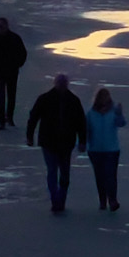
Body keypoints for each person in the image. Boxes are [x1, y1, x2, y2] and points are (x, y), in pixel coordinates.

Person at [24, 74, 88, 213]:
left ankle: (59, 200)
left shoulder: (72, 100)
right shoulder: (46, 99)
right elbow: (33, 117)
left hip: (63, 143)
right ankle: (56, 200)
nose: (62, 86)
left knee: (62, 173)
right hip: (50, 143)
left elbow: (81, 123)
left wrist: (82, 140)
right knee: (54, 171)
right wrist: (29, 136)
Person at [84, 87, 127, 211]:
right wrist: (82, 143)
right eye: (103, 96)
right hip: (95, 149)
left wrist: (119, 114)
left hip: (111, 149)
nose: (105, 99)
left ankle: (112, 200)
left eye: (106, 96)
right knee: (100, 176)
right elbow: (86, 130)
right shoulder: (91, 113)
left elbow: (121, 123)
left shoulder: (114, 111)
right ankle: (103, 200)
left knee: (111, 175)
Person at [0, 18, 28, 129]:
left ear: (6, 26)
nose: (0, 29)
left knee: (11, 95)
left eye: (1, 26)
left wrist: (18, 64)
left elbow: (23, 53)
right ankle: (2, 121)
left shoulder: (15, 38)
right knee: (1, 95)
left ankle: (9, 117)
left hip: (12, 71)